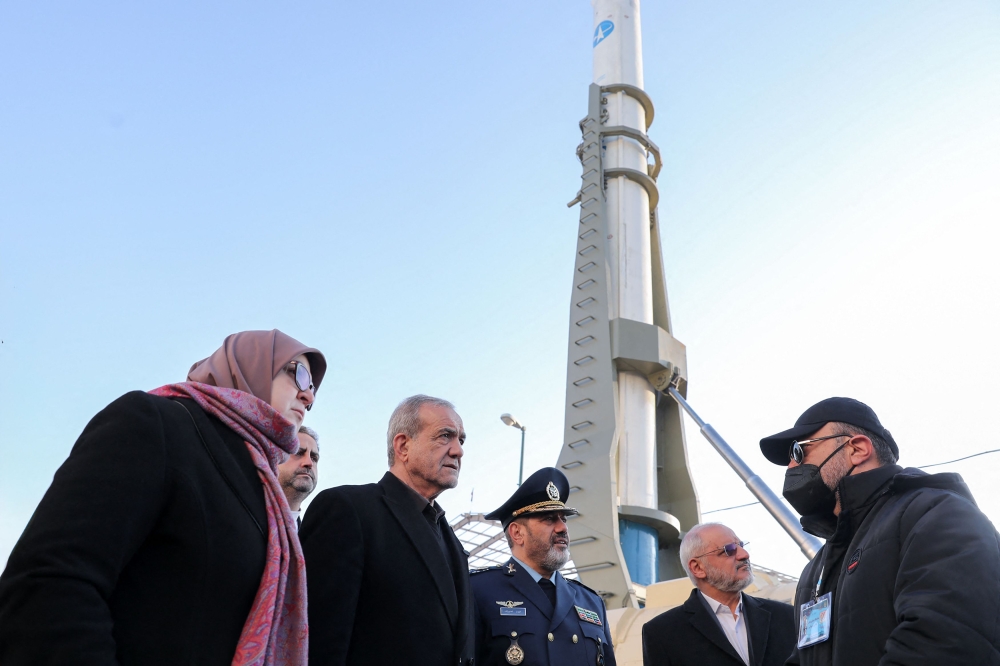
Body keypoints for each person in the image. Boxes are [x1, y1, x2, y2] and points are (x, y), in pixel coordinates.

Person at [0, 329, 326, 666]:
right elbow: (51, 582)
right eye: (299, 375)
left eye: (313, 389)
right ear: (252, 364)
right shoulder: (158, 423)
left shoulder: (265, 488)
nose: (308, 397)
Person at [759, 397, 1000, 665]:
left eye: (798, 451)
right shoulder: (818, 567)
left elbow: (947, 639)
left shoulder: (934, 513)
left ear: (858, 449)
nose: (791, 467)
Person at [300, 394, 474, 666]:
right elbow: (320, 645)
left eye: (461, 440)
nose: (458, 451)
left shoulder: (450, 538)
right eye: (445, 436)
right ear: (403, 446)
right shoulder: (347, 510)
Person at [471, 467, 617, 666]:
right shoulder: (477, 591)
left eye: (563, 519)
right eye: (549, 519)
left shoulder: (591, 602)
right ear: (517, 533)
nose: (563, 527)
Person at [641, 523, 795, 666]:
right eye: (729, 550)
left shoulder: (787, 616)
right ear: (697, 568)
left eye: (741, 546)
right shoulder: (662, 633)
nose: (744, 554)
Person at [278, 425, 320, 527]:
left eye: (314, 458)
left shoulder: (308, 535)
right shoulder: (241, 515)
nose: (309, 463)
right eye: (298, 453)